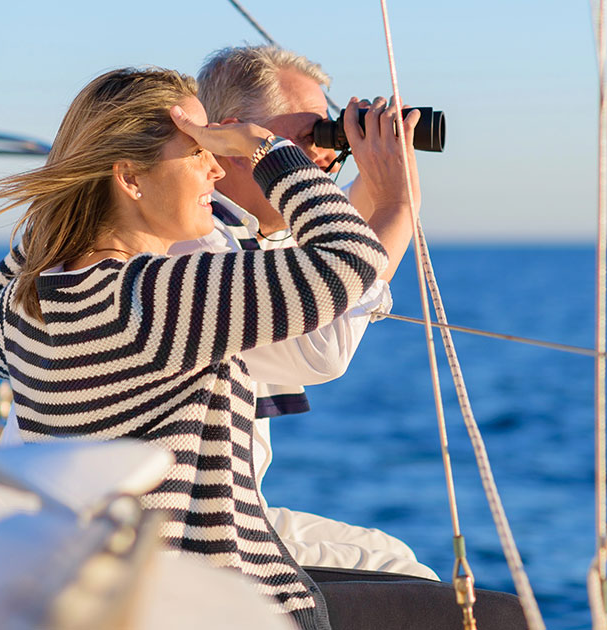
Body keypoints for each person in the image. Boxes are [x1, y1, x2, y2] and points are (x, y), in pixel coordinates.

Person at [0, 67, 411, 630]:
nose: (219, 167)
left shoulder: (32, 305)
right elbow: (350, 261)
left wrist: (61, 215)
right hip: (213, 605)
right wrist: (269, 148)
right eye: (200, 150)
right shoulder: (160, 297)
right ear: (130, 177)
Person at [185, 45, 434, 579]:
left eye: (329, 138)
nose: (323, 157)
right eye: (303, 141)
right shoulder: (199, 246)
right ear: (233, 140)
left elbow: (328, 251)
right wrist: (397, 205)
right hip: (187, 530)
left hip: (220, 511)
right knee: (410, 583)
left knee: (398, 560)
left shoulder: (251, 235)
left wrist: (370, 176)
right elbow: (323, 351)